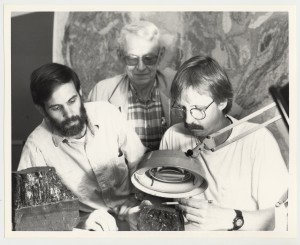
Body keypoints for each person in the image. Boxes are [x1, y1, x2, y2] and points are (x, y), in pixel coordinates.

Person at [159, 56, 288, 231]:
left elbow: (284, 219)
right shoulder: (173, 136)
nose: (188, 119)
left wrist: (232, 219)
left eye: (198, 110)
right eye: (182, 108)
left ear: (222, 102)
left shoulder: (258, 140)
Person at [17, 63, 148, 231]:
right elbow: (27, 218)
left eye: (72, 101)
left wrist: (137, 198)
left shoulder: (108, 113)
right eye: (56, 108)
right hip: (87, 228)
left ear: (80, 94)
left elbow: (141, 163)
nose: (69, 113)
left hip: (132, 212)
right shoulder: (36, 147)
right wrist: (79, 223)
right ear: (42, 110)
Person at [88, 21, 177, 151]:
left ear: (160, 55)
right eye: (132, 59)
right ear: (120, 56)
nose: (141, 68)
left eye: (149, 58)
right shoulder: (102, 93)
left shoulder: (179, 85)